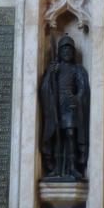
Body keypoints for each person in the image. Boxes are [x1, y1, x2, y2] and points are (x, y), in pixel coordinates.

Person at [39, 34, 90, 181]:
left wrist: (76, 98)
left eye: (69, 50)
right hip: (55, 106)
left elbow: (83, 89)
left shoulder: (77, 69)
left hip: (70, 106)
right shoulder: (54, 68)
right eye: (64, 50)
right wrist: (50, 76)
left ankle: (72, 166)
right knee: (56, 136)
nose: (67, 53)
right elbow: (44, 88)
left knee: (70, 134)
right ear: (60, 53)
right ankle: (56, 167)